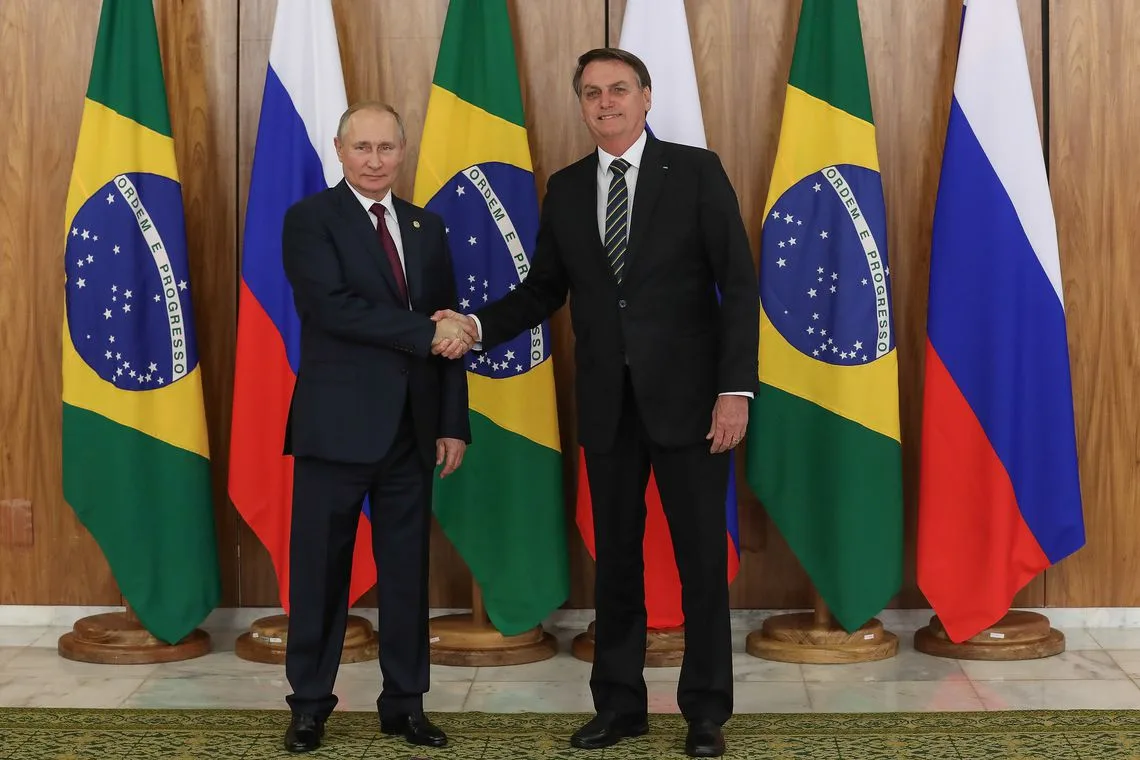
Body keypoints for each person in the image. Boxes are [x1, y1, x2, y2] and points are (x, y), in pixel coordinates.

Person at [433, 49, 758, 758]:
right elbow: (545, 288)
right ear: (580, 105)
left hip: (695, 406)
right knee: (615, 563)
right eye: (591, 93)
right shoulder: (570, 187)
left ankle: (705, 713)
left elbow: (738, 285)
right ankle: (619, 707)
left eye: (618, 89)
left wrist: (735, 392)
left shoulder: (696, 172)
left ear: (646, 97)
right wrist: (477, 325)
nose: (604, 102)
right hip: (609, 406)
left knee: (701, 562)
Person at [279, 101, 475, 753]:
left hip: (411, 432)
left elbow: (449, 322)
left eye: (385, 147)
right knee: (321, 573)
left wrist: (453, 422)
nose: (373, 159)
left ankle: (405, 703)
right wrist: (427, 331)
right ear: (338, 150)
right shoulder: (310, 220)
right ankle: (309, 704)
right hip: (335, 430)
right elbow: (332, 309)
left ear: (402, 150)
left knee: (406, 574)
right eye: (361, 147)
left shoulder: (427, 227)